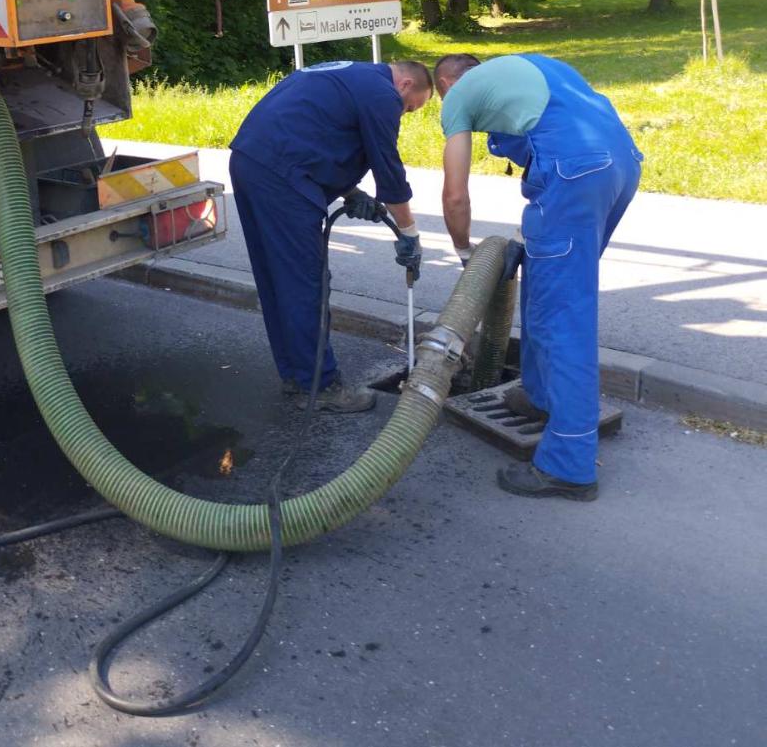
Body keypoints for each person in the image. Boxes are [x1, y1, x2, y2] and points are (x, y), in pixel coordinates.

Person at [433, 52, 642, 500]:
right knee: (546, 294)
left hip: (576, 175)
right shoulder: (534, 67)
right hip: (620, 164)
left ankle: (569, 465)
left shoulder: (458, 97)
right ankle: (542, 396)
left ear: (448, 84)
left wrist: (465, 251)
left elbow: (454, 196)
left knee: (562, 317)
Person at [230, 59, 432, 412]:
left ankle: (297, 377)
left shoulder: (348, 74)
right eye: (410, 107)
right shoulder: (383, 94)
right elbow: (388, 168)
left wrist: (349, 192)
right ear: (406, 84)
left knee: (278, 280)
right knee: (305, 282)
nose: (405, 113)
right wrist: (409, 233)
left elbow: (314, 133)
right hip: (282, 176)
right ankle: (320, 385)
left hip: (252, 161)